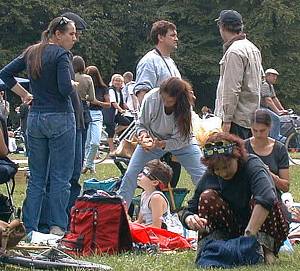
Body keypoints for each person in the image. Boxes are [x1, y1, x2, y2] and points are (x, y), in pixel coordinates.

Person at [0, 17, 77, 234]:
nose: (74, 38)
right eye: (71, 33)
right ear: (57, 34)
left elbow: (4, 74)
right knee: (61, 177)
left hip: (35, 118)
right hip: (60, 117)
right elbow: (64, 89)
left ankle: (30, 227)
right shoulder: (62, 55)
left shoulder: (32, 52)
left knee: (37, 177)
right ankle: (57, 227)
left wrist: (25, 95)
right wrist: (73, 85)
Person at [179, 132, 289, 264]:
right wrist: (189, 218)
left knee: (260, 199)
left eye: (226, 166)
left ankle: (266, 251)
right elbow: (188, 209)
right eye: (217, 169)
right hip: (232, 226)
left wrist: (248, 237)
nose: (223, 173)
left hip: (258, 226)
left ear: (237, 156)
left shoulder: (253, 165)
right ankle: (212, 250)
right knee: (207, 196)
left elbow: (267, 197)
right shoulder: (210, 175)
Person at [118, 77, 206, 207]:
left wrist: (163, 144)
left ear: (178, 99)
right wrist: (143, 136)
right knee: (131, 173)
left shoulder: (185, 105)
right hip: (153, 139)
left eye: (169, 101)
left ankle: (208, 208)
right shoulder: (151, 98)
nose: (164, 103)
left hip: (183, 142)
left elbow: (182, 138)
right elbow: (141, 124)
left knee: (202, 173)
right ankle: (121, 212)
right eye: (163, 98)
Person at [214, 10, 262, 139]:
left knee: (233, 159)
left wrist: (226, 121)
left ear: (222, 26)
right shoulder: (253, 48)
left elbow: (232, 89)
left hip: (235, 120)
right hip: (250, 118)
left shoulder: (234, 52)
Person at [245, 109, 289, 199]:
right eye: (255, 130)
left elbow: (285, 187)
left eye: (262, 130)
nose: (258, 135)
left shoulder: (279, 149)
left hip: (271, 196)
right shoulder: (243, 146)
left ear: (270, 127)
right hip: (246, 195)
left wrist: (268, 174)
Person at [134, 20, 181, 104]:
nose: (176, 39)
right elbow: (142, 95)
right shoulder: (149, 61)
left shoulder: (171, 62)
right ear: (161, 37)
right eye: (172, 35)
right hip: (157, 116)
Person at [82, 66, 110, 173]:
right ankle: (89, 165)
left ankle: (88, 163)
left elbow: (108, 104)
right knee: (86, 143)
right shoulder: (84, 85)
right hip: (86, 113)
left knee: (95, 142)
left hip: (97, 114)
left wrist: (97, 102)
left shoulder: (103, 88)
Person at [135, 159, 173, 228]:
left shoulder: (156, 198)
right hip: (149, 233)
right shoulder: (144, 195)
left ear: (155, 182)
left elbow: (157, 227)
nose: (140, 175)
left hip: (160, 236)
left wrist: (138, 229)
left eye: (145, 173)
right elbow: (139, 222)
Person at [72, 55, 95, 154]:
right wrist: (85, 97)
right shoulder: (87, 78)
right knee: (82, 139)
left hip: (71, 106)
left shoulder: (70, 77)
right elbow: (92, 98)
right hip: (83, 107)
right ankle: (80, 163)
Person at [105, 74, 131, 155]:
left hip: (116, 114)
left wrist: (131, 109)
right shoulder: (111, 90)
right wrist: (120, 110)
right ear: (112, 82)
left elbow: (123, 103)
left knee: (127, 123)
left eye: (120, 81)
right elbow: (113, 102)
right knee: (110, 130)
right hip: (109, 114)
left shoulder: (119, 92)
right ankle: (112, 151)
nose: (118, 82)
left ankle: (115, 133)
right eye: (116, 80)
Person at [261, 68, 288, 141]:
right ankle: (274, 139)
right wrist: (277, 112)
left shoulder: (270, 85)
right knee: (276, 119)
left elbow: (274, 99)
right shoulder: (265, 84)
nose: (275, 78)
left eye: (276, 76)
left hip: (265, 108)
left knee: (278, 118)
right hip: (260, 107)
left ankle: (277, 137)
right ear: (267, 76)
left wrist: (282, 110)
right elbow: (268, 100)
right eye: (273, 76)